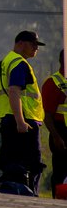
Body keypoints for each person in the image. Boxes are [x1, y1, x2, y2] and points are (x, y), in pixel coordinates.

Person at [0, 30, 46, 195]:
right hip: (23, 122)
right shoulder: (19, 64)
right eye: (33, 44)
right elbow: (14, 91)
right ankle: (30, 196)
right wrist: (21, 121)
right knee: (33, 164)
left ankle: (8, 193)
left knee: (11, 163)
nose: (36, 48)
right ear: (20, 43)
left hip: (10, 119)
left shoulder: (7, 61)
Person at [42, 49, 67, 195]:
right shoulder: (53, 83)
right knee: (60, 171)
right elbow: (48, 115)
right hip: (61, 133)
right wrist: (56, 137)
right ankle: (58, 200)